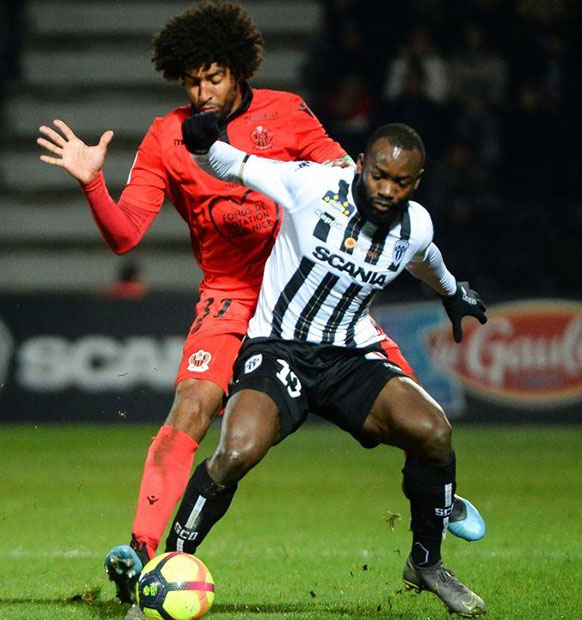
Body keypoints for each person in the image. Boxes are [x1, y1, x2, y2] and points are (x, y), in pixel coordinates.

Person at [36, 1, 485, 610]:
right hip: (229, 297)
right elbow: (125, 235)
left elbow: (339, 178)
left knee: (414, 412)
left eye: (213, 77)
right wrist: (93, 181)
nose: (202, 92)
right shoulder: (168, 136)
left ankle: (442, 498)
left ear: (240, 70)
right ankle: (144, 554)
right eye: (191, 81)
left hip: (310, 291)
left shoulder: (287, 112)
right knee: (193, 408)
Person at [164, 116, 487, 617]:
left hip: (349, 358)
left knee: (433, 431)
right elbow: (234, 165)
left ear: (415, 185)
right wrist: (205, 141)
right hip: (278, 348)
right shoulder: (312, 185)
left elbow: (424, 257)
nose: (386, 189)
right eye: (379, 174)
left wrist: (452, 293)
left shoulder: (415, 223)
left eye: (400, 182)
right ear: (361, 165)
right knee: (236, 453)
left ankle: (426, 562)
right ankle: (169, 567)